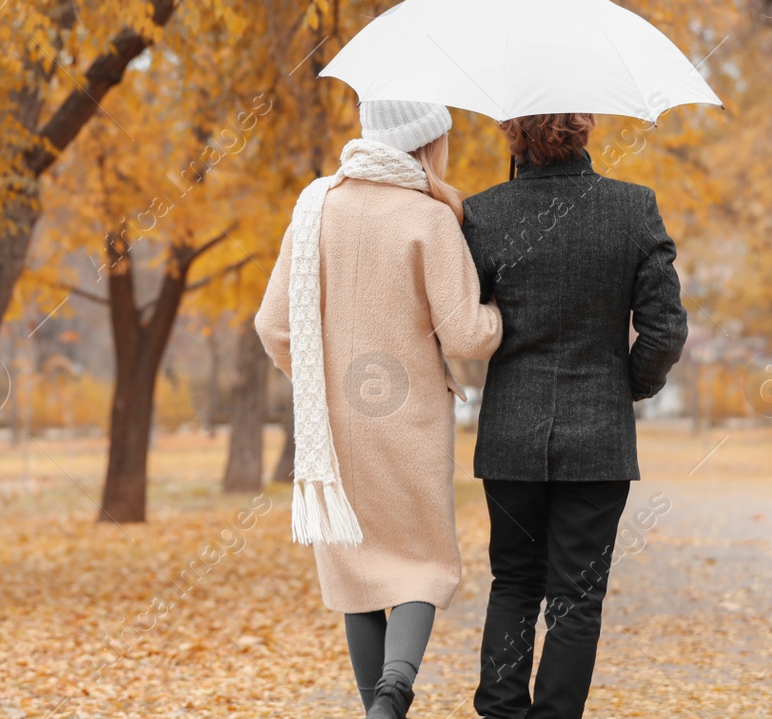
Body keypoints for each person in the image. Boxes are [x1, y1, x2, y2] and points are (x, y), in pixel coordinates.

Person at [256, 100, 503, 719]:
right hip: (410, 421)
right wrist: (500, 314)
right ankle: (396, 688)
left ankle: (377, 707)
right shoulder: (429, 218)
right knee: (420, 561)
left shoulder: (315, 209)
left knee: (357, 573)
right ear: (427, 143)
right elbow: (468, 336)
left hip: (332, 426)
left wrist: (317, 375)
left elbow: (272, 325)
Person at [462, 113, 688, 719]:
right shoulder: (633, 208)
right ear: (583, 131)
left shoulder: (483, 214)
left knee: (513, 583)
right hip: (598, 438)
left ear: (513, 134)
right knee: (576, 600)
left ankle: (501, 712)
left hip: (510, 433)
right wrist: (627, 387)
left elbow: (464, 323)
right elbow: (665, 330)